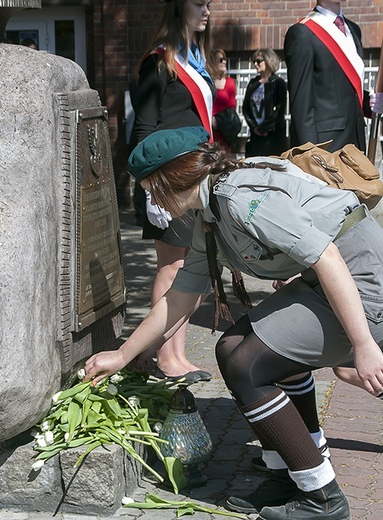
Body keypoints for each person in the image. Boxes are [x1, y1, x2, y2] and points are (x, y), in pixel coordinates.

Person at [85, 127, 383, 520]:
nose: (151, 199)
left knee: (247, 363)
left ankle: (322, 498)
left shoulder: (240, 198)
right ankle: (288, 474)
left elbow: (328, 258)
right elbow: (182, 294)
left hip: (369, 285)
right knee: (231, 347)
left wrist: (363, 345)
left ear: (172, 178)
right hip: (333, 282)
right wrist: (124, 353)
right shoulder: (209, 208)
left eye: (151, 188)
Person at [131, 0, 215, 383]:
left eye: (209, 4)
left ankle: (175, 352)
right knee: (172, 268)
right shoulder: (158, 62)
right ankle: (167, 357)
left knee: (191, 269)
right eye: (200, 3)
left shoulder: (196, 59)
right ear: (180, 7)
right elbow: (144, 130)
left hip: (190, 180)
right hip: (164, 184)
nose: (207, 10)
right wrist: (150, 190)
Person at [284, 0, 383, 152]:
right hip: (326, 146)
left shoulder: (353, 30)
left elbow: (347, 90)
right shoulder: (302, 33)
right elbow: (301, 106)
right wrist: (311, 154)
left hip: (356, 144)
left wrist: (370, 103)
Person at [242, 48, 288, 157]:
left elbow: (279, 110)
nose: (255, 64)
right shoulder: (252, 84)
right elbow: (246, 108)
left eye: (258, 61)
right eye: (253, 61)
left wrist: (264, 128)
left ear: (268, 60)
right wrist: (254, 128)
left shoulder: (278, 83)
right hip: (256, 136)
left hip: (273, 137)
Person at [210, 49, 240, 151]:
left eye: (225, 59)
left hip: (223, 129)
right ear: (212, 62)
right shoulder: (206, 81)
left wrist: (217, 121)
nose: (224, 62)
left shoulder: (230, 82)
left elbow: (231, 107)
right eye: (221, 59)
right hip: (208, 128)